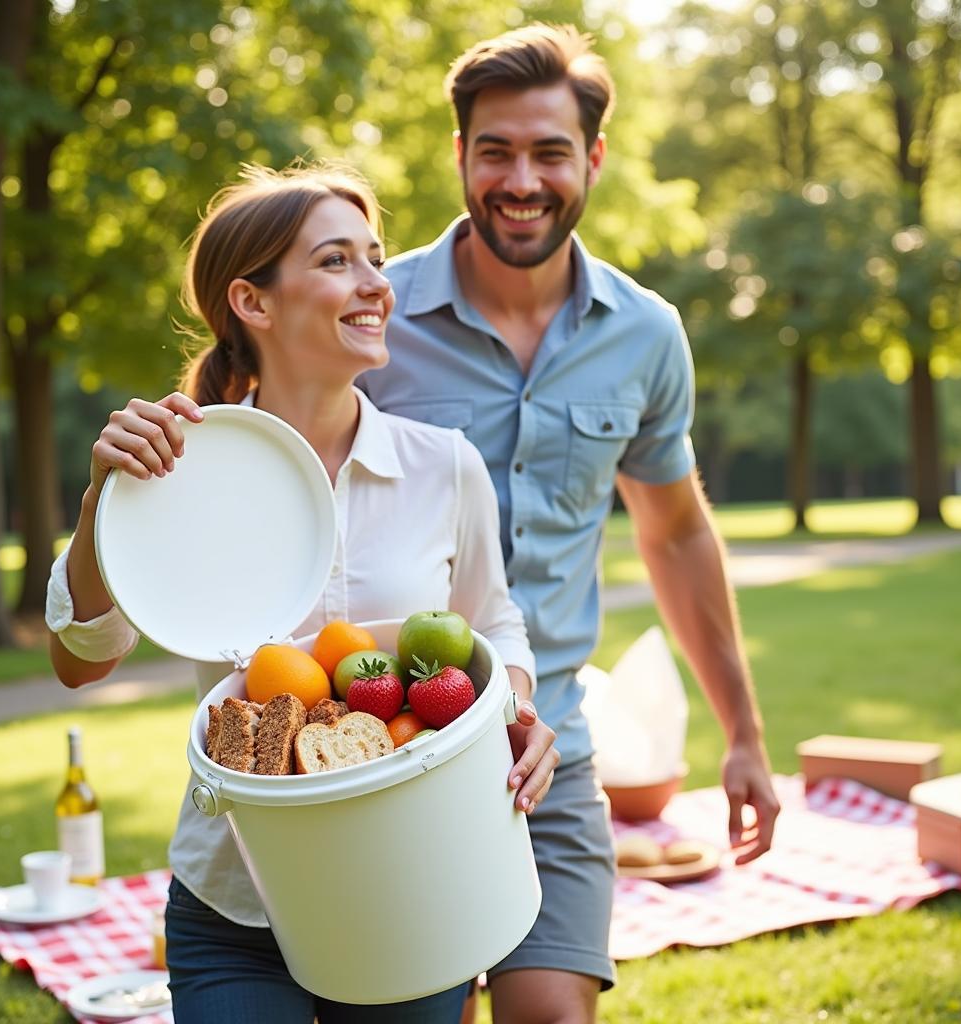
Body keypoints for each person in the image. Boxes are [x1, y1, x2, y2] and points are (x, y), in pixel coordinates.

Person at [45, 164, 559, 1024]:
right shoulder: (177, 473)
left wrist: (514, 705)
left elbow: (493, 620)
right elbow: (78, 660)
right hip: (235, 900)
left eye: (376, 258)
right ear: (253, 301)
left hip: (412, 883)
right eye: (336, 262)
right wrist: (104, 501)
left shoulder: (445, 466)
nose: (375, 286)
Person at [359, 23, 781, 1024]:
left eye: (549, 151)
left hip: (548, 754)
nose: (521, 178)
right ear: (459, 154)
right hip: (389, 744)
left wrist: (744, 732)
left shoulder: (644, 334)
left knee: (552, 1012)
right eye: (495, 149)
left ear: (591, 159)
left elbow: (675, 533)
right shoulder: (374, 318)